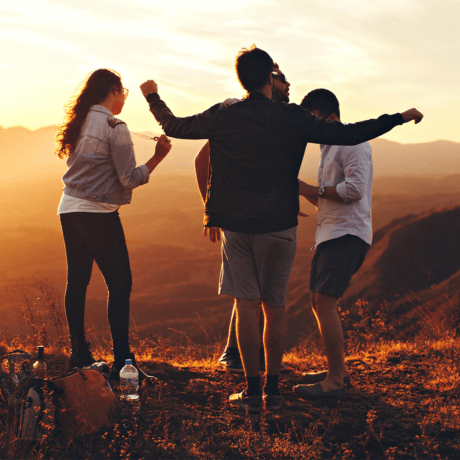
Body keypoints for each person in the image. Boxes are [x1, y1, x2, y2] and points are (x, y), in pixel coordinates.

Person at [140, 45, 423, 413]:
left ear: (242, 78)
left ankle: (252, 392)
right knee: (275, 308)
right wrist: (398, 117)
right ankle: (273, 391)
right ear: (270, 79)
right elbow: (351, 133)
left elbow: (175, 126)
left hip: (238, 226)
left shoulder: (224, 115)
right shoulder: (290, 117)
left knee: (246, 308)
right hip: (279, 225)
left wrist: (153, 97)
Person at [55, 68, 172, 381]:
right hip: (98, 213)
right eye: (123, 92)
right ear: (113, 90)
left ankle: (79, 353)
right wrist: (158, 156)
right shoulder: (115, 127)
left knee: (77, 280)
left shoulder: (80, 120)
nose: (124, 99)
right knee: (120, 285)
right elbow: (129, 178)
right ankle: (124, 363)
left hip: (69, 208)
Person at [194, 63, 291, 374]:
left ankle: (242, 356)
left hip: (261, 214)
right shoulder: (238, 113)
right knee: (248, 292)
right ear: (268, 80)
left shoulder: (273, 118)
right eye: (282, 79)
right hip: (239, 216)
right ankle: (235, 354)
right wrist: (211, 209)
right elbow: (202, 158)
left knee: (253, 290)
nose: (289, 86)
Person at [291, 89, 378, 399]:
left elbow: (354, 190)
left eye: (310, 120)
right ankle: (336, 370)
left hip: (347, 235)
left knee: (325, 302)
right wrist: (303, 193)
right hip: (331, 233)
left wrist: (310, 188)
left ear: (328, 117)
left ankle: (335, 382)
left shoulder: (351, 142)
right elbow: (330, 196)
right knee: (318, 301)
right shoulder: (329, 147)